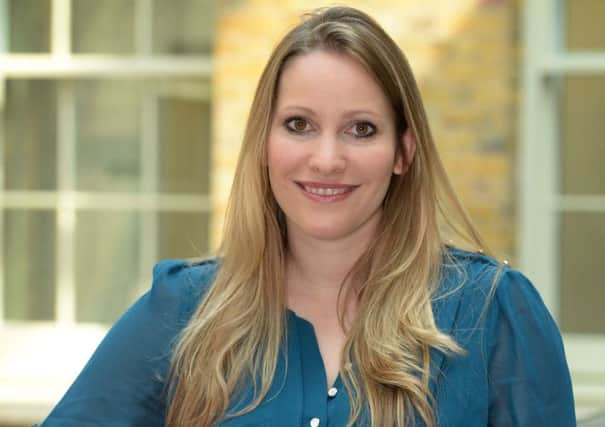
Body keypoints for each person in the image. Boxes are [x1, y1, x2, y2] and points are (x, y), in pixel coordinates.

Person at [39, 6, 575, 427]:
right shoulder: (184, 312)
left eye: (360, 128)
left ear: (403, 152)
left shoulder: (493, 315)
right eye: (299, 124)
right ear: (265, 144)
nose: (326, 158)